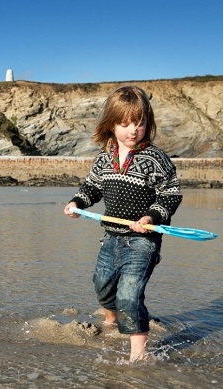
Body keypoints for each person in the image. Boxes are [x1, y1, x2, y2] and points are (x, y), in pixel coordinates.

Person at [63, 85, 183, 362]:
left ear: (147, 124)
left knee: (130, 295)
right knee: (103, 286)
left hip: (143, 240)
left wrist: (151, 217)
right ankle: (111, 320)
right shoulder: (104, 158)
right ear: (110, 125)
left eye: (140, 124)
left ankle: (138, 353)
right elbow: (92, 187)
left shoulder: (155, 158)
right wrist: (77, 204)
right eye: (125, 123)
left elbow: (171, 193)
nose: (133, 130)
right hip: (111, 237)